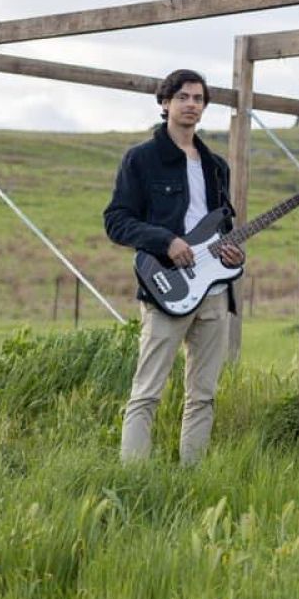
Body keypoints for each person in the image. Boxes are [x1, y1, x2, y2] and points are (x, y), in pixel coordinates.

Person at [105, 68, 244, 465]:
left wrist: (235, 256)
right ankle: (132, 479)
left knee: (204, 394)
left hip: (215, 293)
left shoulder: (216, 165)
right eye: (183, 97)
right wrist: (165, 241)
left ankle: (192, 476)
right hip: (165, 287)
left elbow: (223, 227)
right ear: (165, 103)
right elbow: (116, 221)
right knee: (147, 390)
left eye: (198, 99)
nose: (191, 105)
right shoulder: (141, 159)